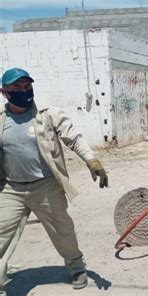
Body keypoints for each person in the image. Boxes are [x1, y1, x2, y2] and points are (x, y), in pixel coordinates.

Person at [0, 68, 108, 294]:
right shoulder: (1, 121)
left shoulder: (48, 114)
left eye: (27, 86)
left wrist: (92, 161)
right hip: (11, 187)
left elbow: (74, 138)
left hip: (45, 185)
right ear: (4, 93)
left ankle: (77, 268)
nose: (24, 91)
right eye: (17, 87)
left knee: (62, 230)